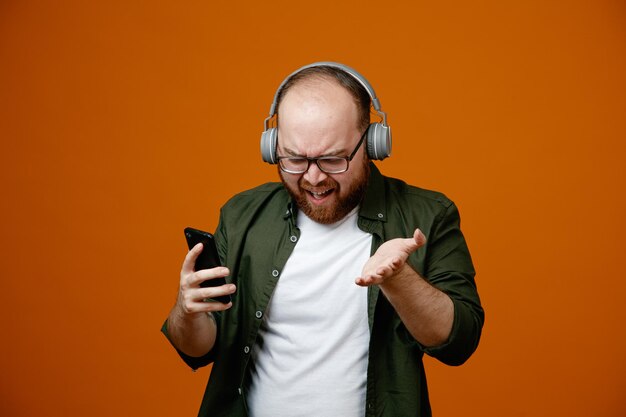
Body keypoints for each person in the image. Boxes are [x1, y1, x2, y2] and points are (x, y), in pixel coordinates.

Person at [162, 62, 484, 417]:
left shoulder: (428, 214)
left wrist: (399, 279)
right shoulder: (241, 216)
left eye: (333, 159)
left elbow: (460, 342)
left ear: (373, 143)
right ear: (272, 148)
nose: (313, 178)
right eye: (295, 159)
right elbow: (197, 349)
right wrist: (187, 312)